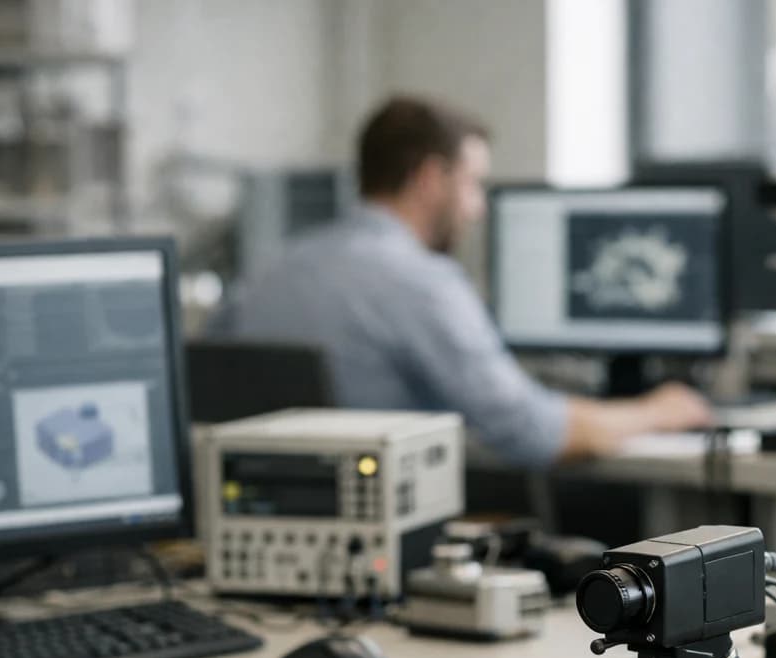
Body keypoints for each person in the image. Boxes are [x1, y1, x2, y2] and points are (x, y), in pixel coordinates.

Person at [234, 95, 713, 468]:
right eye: (472, 183)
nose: (478, 208)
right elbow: (529, 431)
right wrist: (660, 410)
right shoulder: (421, 282)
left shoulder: (270, 270)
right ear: (430, 178)